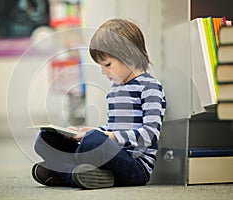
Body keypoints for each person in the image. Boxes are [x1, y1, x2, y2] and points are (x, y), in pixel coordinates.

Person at [32, 18, 166, 189]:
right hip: (111, 156)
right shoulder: (116, 89)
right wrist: (92, 131)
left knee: (93, 142)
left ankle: (66, 173)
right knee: (44, 140)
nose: (103, 71)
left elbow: (149, 135)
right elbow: (114, 128)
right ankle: (81, 173)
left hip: (135, 167)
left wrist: (106, 137)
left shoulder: (150, 87)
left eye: (107, 64)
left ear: (130, 55)